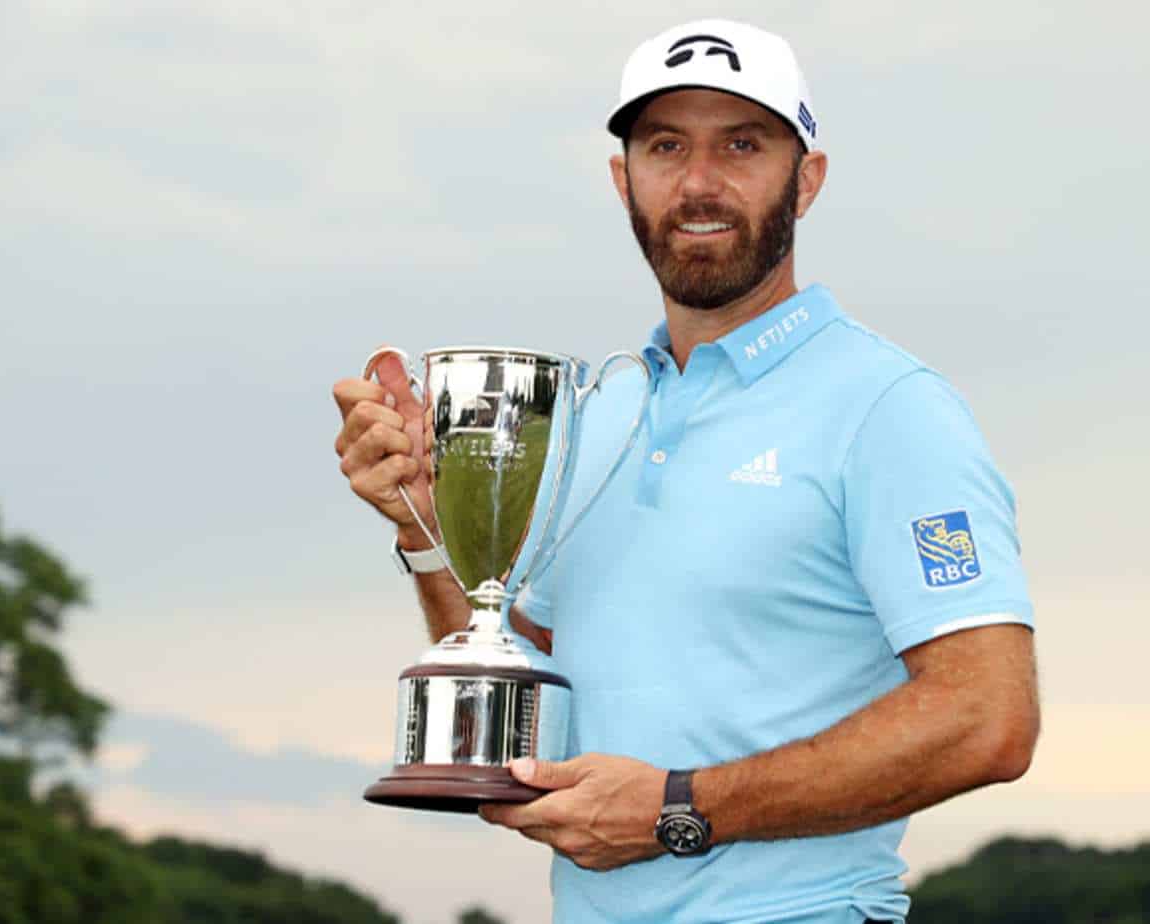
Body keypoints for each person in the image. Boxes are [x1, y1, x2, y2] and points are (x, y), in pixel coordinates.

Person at [332, 19, 1039, 924]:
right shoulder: (598, 412)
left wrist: (680, 808)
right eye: (667, 147)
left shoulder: (889, 407)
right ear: (625, 180)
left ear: (807, 179)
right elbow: (535, 696)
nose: (700, 183)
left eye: (741, 145)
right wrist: (429, 530)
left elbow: (988, 717)